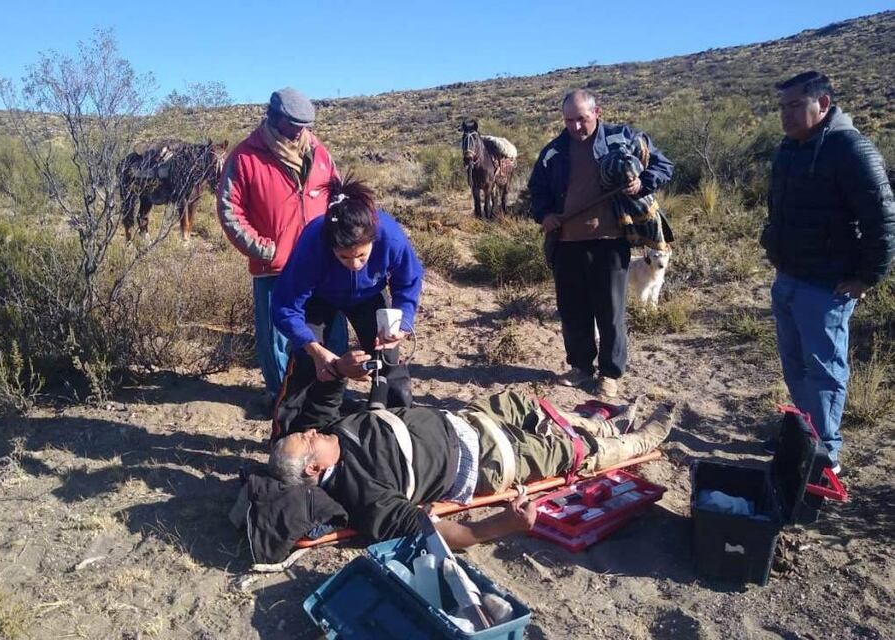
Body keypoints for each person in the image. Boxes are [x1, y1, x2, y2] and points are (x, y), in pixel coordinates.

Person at [268, 389, 675, 548]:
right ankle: (637, 440)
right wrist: (504, 525)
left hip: (467, 418)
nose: (310, 430)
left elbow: (317, 400)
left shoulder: (336, 432)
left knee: (529, 404)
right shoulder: (365, 495)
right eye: (305, 439)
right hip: (487, 460)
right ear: (314, 469)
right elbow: (436, 532)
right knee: (569, 451)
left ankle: (607, 423)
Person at [761, 71, 895, 473]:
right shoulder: (789, 148)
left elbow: (882, 218)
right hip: (789, 276)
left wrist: (868, 277)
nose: (785, 114)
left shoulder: (849, 149)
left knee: (823, 370)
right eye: (781, 106)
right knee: (795, 363)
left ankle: (823, 457)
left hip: (826, 283)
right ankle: (804, 437)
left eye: (794, 105)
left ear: (822, 103)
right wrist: (773, 242)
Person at [529, 89, 673, 398]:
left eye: (581, 119)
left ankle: (610, 373)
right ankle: (581, 367)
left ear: (598, 112)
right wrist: (544, 215)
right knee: (573, 310)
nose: (575, 127)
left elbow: (664, 166)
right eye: (569, 120)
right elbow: (536, 189)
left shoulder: (623, 138)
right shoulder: (554, 151)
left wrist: (641, 183)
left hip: (609, 243)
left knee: (610, 312)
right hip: (566, 243)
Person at [218, 87, 347, 406]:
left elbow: (338, 196)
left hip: (321, 262)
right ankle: (282, 399)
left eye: (306, 124)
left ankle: (329, 395)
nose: (301, 131)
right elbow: (229, 211)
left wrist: (338, 240)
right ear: (274, 118)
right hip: (275, 266)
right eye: (294, 123)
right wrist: (266, 250)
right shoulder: (245, 157)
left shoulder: (319, 153)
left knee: (332, 332)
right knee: (277, 338)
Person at [270, 176, 424, 438]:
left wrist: (404, 323)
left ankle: (399, 430)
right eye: (344, 257)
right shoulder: (313, 243)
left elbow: (409, 281)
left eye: (362, 256)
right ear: (331, 247)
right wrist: (316, 350)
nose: (354, 264)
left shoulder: (390, 235)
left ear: (374, 241)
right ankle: (288, 437)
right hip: (319, 298)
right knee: (308, 367)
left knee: (388, 358)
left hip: (368, 296)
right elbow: (285, 305)